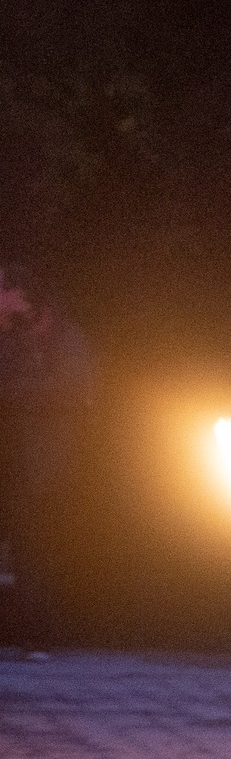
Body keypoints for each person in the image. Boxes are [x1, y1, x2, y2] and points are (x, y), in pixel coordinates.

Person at [0, 265, 93, 657]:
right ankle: (25, 634)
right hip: (18, 460)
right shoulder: (14, 339)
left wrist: (22, 396)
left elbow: (74, 390)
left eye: (9, 291)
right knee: (23, 549)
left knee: (36, 549)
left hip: (46, 464)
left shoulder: (66, 340)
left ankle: (36, 635)